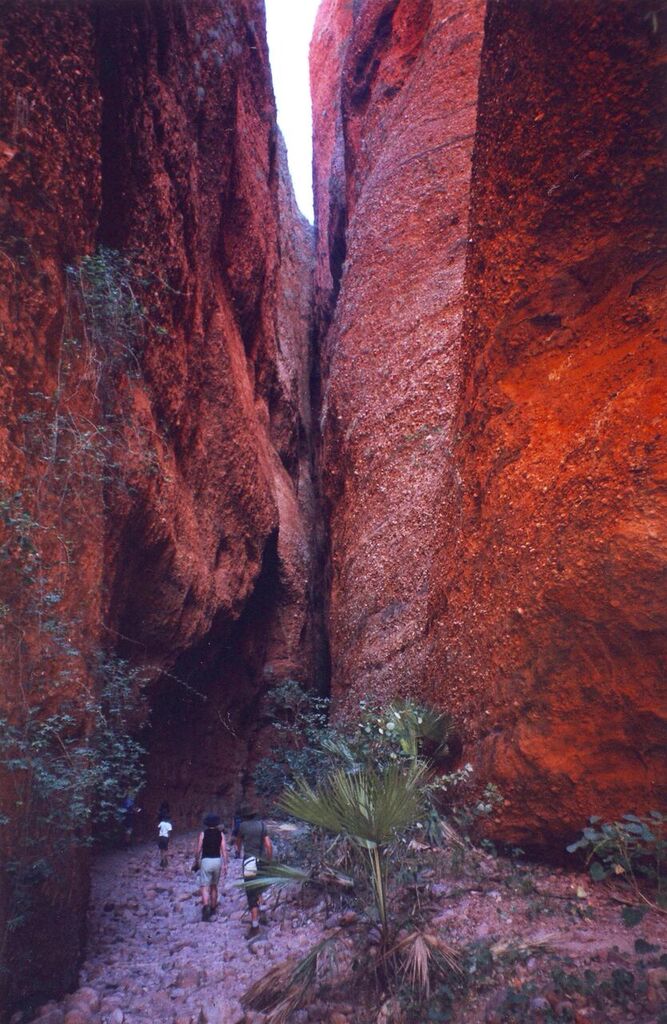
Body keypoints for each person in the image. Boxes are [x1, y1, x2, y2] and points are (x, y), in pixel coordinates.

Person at [235, 803, 273, 939]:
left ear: (245, 816)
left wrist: (238, 851)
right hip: (261, 861)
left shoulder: (242, 826)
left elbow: (238, 842)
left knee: (251, 892)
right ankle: (263, 914)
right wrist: (268, 860)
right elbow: (268, 845)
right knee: (260, 887)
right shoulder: (262, 825)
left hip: (249, 861)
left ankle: (255, 926)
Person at [193, 813, 228, 921]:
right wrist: (226, 864)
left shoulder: (203, 834)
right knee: (214, 886)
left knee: (204, 886)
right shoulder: (221, 835)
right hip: (217, 861)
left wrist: (196, 861)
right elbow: (224, 850)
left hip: (206, 861)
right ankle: (213, 907)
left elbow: (198, 850)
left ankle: (206, 907)